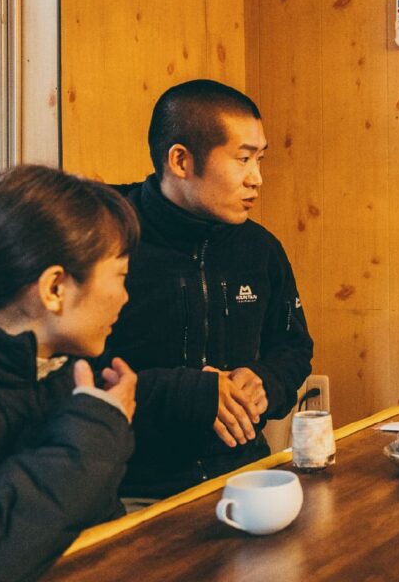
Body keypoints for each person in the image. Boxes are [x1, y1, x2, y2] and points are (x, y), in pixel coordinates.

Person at [101, 79, 313, 498]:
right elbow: (66, 373)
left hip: (246, 478)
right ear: (180, 160)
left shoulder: (259, 247)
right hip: (134, 488)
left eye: (260, 159)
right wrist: (185, 393)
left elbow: (294, 348)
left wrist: (265, 381)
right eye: (243, 159)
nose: (257, 179)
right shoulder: (106, 240)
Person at [0, 165, 139, 581]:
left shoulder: (59, 370)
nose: (125, 297)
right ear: (54, 288)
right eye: (121, 277)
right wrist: (95, 431)